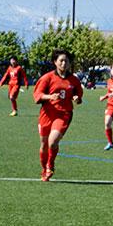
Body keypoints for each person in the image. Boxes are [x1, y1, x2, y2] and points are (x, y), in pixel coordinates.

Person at [33, 49, 83, 181]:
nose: (64, 63)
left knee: (53, 141)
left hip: (63, 114)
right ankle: (44, 170)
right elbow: (37, 96)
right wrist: (50, 96)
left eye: (66, 61)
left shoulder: (74, 80)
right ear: (55, 62)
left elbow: (78, 95)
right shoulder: (47, 78)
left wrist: (77, 98)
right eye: (61, 60)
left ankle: (50, 165)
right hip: (46, 114)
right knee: (44, 144)